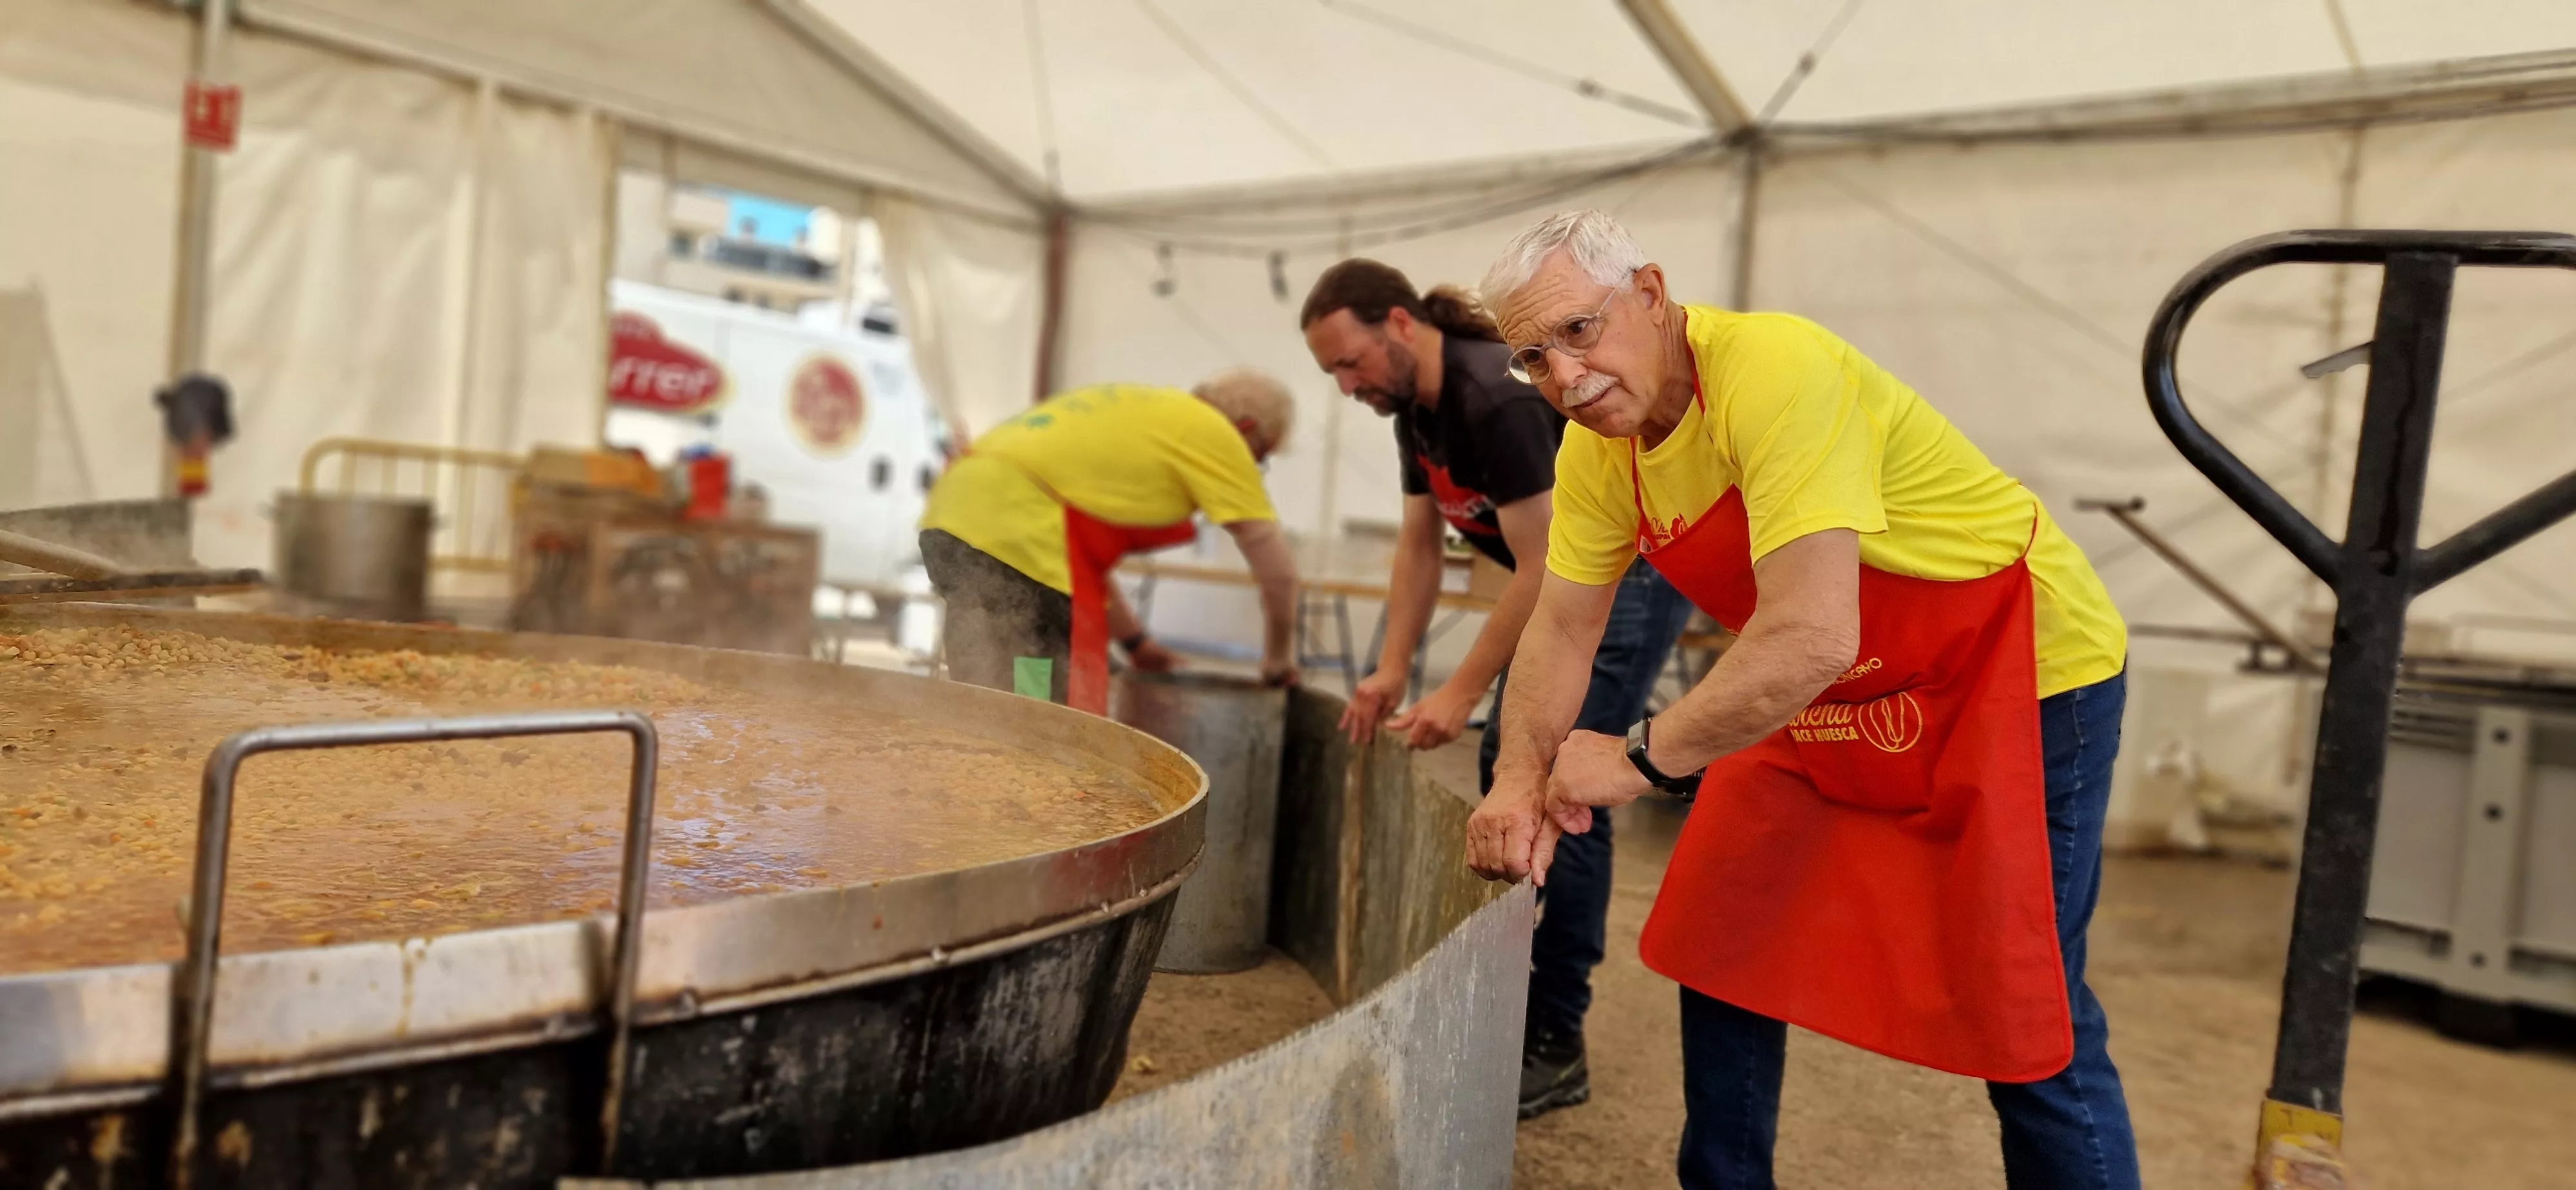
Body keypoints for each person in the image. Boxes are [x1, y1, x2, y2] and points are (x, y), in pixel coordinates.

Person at [1466, 210, 2138, 1190]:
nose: (1566, 378)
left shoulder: (1774, 371)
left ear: (1650, 295)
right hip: (1831, 684)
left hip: (2019, 667)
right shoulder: (1600, 450)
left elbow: (1816, 633)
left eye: (1580, 330)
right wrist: (1519, 780)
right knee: (1723, 928)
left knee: (2021, 990)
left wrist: (1640, 756)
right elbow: (1564, 626)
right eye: (1534, 357)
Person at [1300, 260, 1692, 1119]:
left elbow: (1544, 566)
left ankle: (1554, 1039)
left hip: (1627, 579)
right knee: (1509, 765)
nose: (1345, 385)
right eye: (1332, 371)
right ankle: (1514, 1007)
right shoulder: (1416, 410)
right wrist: (1395, 668)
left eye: (1350, 362)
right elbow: (1418, 548)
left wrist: (1460, 691)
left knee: (1555, 780)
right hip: (1569, 579)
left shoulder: (1495, 398)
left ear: (1401, 326)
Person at [918, 372, 1302, 713]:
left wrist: (1137, 645)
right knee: (1038, 713)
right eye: (1259, 457)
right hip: (1014, 535)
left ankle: (987, 779)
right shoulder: (1214, 432)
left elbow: (1078, 559)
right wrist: (1278, 659)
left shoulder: (1152, 411)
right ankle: (1025, 783)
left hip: (954, 515)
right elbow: (1275, 566)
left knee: (988, 694)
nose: (1251, 470)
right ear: (1247, 429)